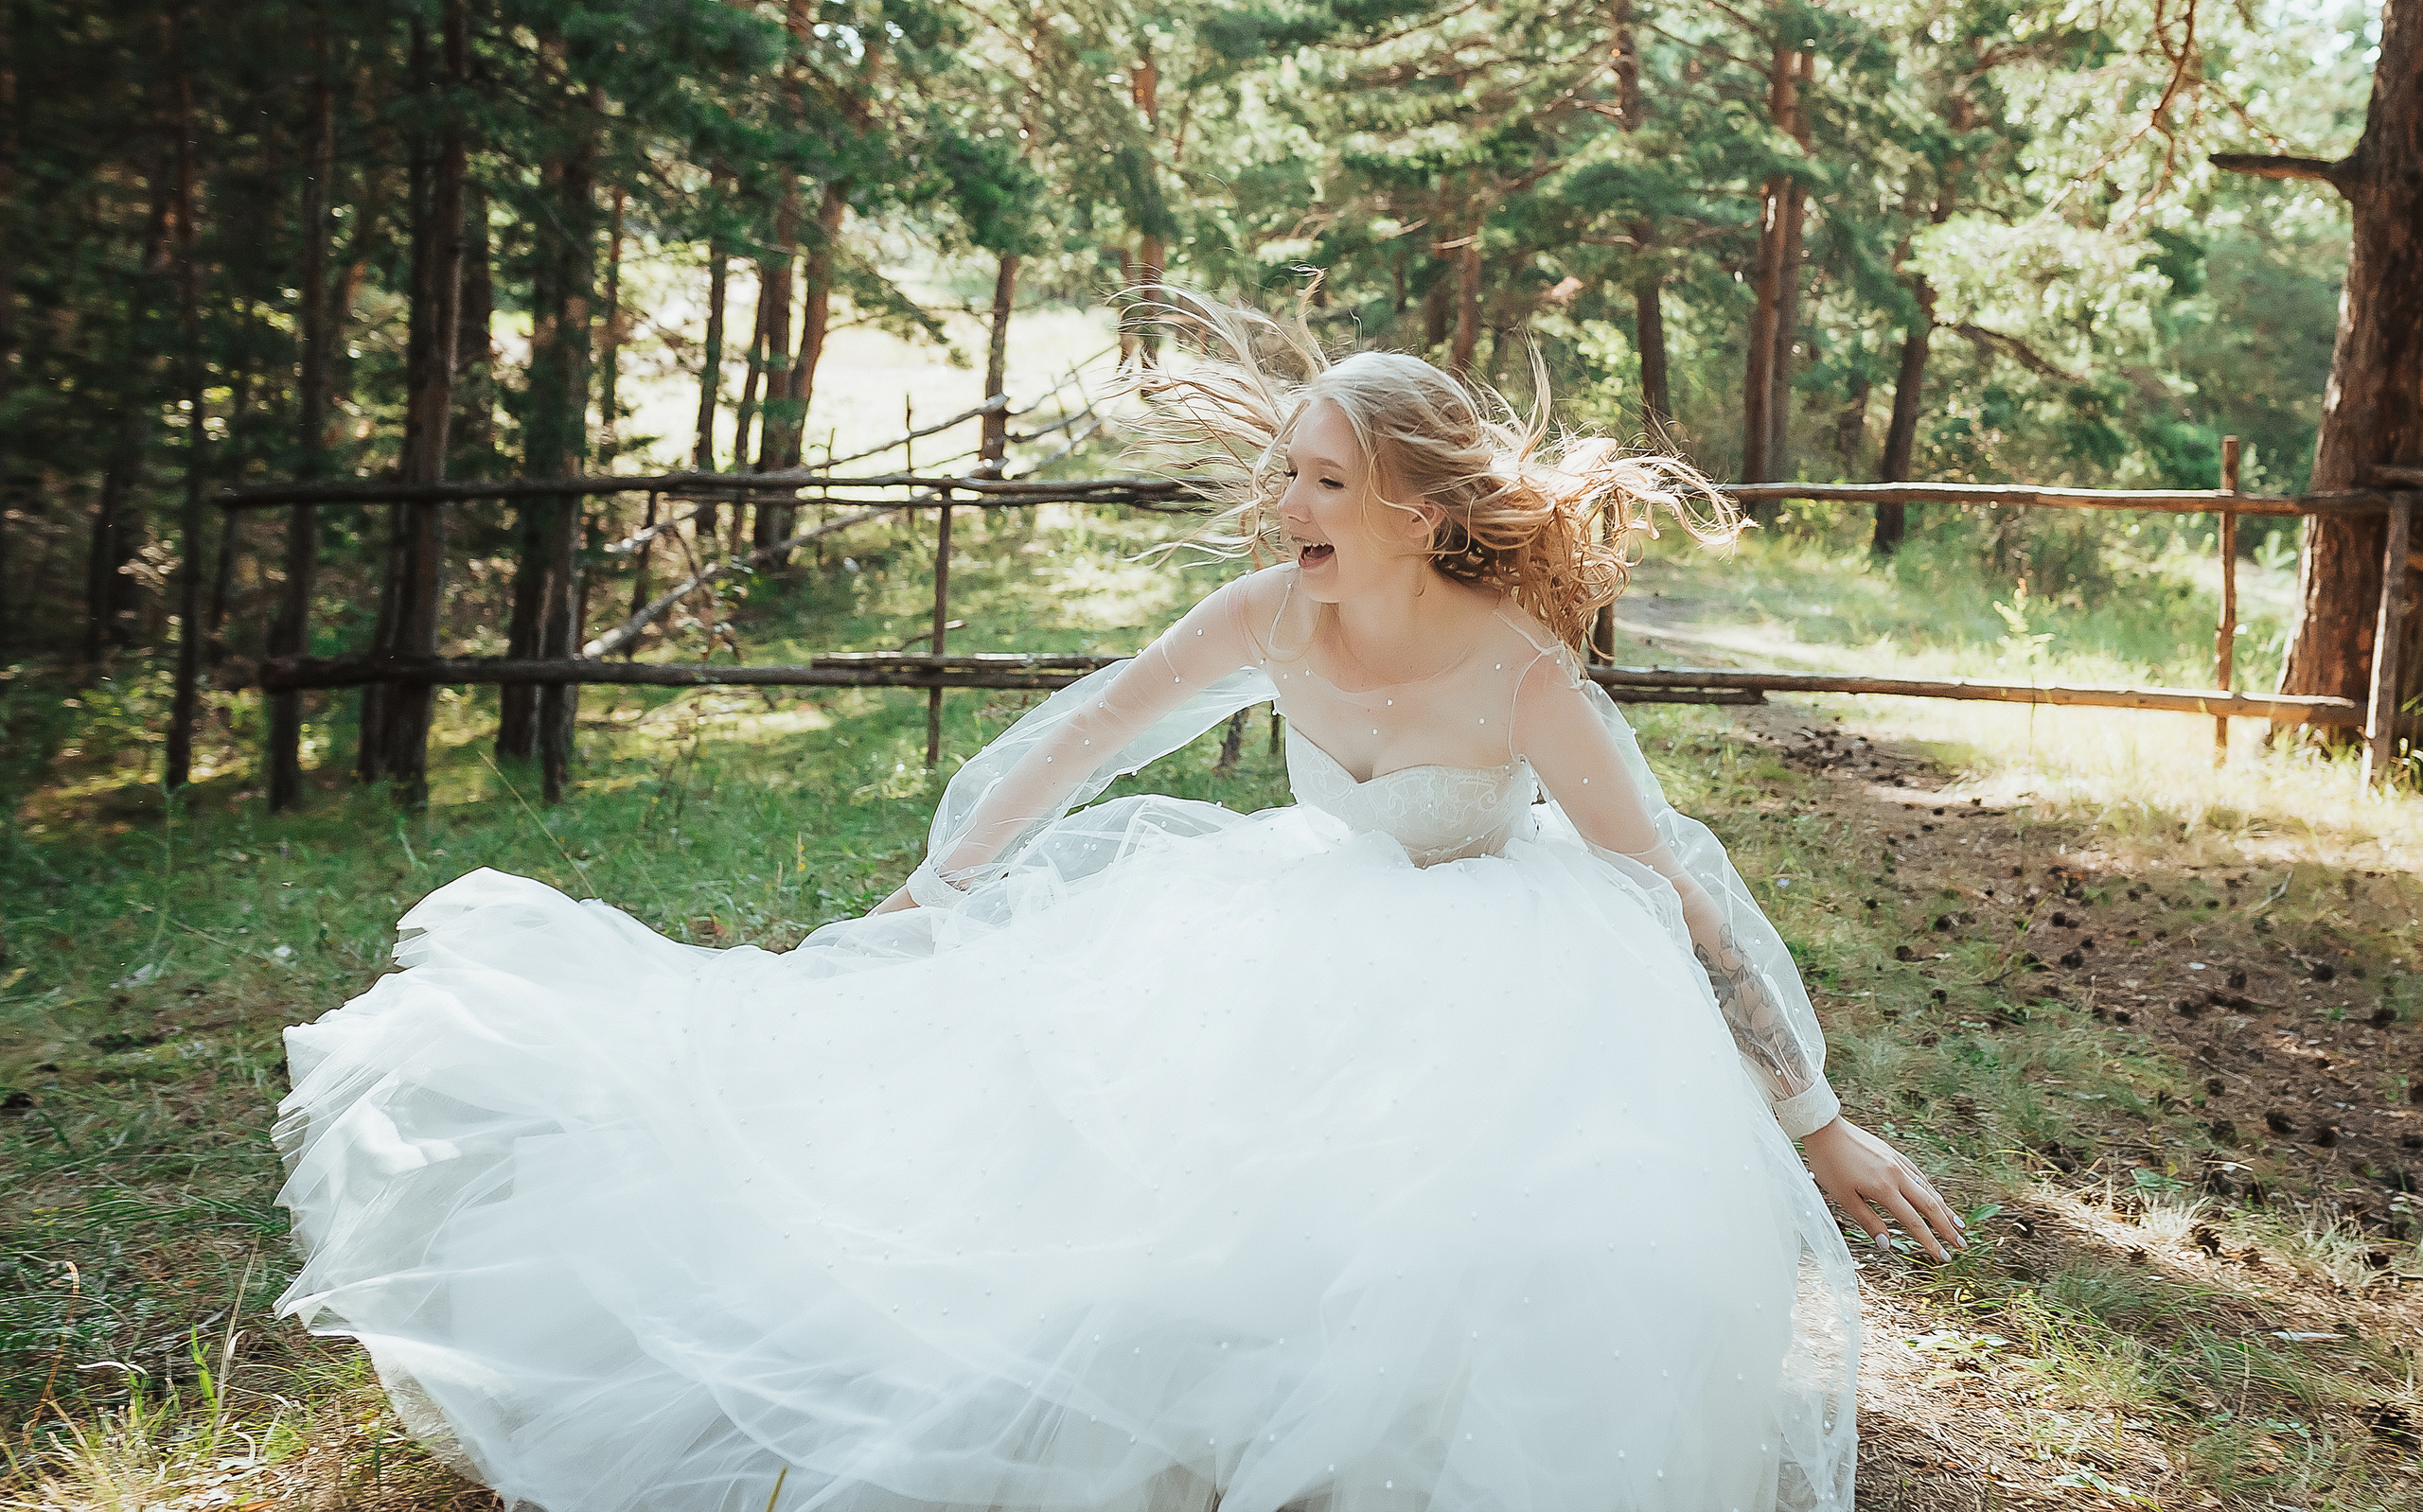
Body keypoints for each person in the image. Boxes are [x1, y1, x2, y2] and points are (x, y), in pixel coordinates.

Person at [274, 297, 1962, 1512]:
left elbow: (1674, 896)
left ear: (1422, 509)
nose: (1286, 507)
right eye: (1288, 472)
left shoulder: (1527, 677)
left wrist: (1812, 1120)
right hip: (1297, 920)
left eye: (1323, 483)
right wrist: (946, 881)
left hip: (1499, 965)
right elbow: (1086, 733)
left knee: (1459, 1219)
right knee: (1110, 1169)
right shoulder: (1270, 614)